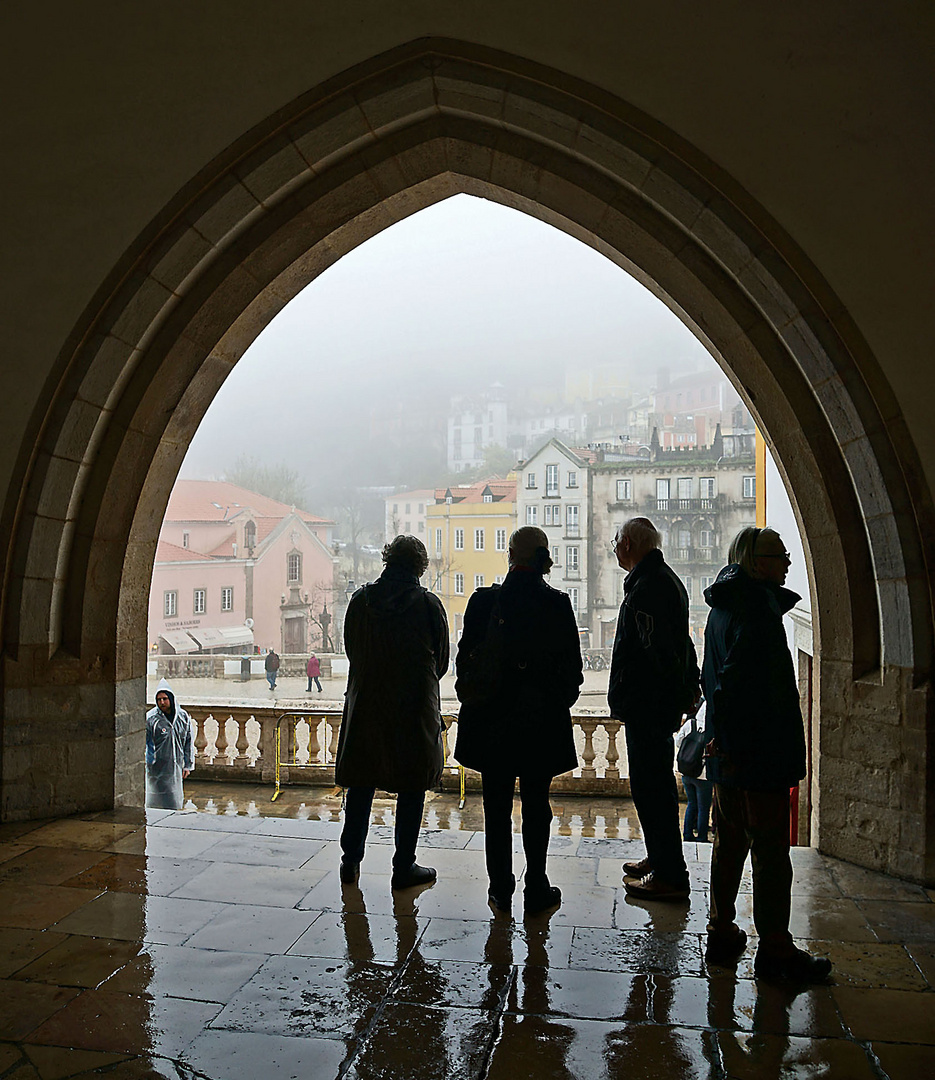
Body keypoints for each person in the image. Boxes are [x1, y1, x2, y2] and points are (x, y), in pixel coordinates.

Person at [702, 526, 831, 982]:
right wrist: (739, 742)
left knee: (728, 844)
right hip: (757, 756)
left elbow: (713, 680)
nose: (788, 563)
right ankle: (775, 949)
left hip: (728, 757)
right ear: (757, 563)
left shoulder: (722, 608)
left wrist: (722, 740)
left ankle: (720, 931)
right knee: (772, 853)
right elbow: (737, 684)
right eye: (780, 556)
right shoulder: (758, 610)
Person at [455, 526, 583, 915]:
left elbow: (464, 662)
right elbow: (572, 673)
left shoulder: (482, 603)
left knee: (495, 807)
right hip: (539, 724)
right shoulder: (558, 604)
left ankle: (499, 888)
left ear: (510, 555)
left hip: (491, 722)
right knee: (536, 806)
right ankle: (537, 885)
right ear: (544, 558)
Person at [334, 535, 449, 889]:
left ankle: (350, 861)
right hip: (413, 709)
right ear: (420, 566)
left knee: (361, 784)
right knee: (412, 786)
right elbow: (442, 663)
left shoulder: (360, 602)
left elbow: (353, 650)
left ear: (386, 560)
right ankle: (404, 866)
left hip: (367, 703)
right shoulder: (429, 606)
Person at [608, 517, 699, 901]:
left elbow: (658, 652)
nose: (614, 546)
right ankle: (660, 857)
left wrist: (665, 700)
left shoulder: (648, 588)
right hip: (654, 703)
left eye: (616, 540)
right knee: (653, 785)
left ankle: (670, 874)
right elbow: (682, 643)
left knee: (652, 788)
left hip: (648, 705)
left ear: (628, 543)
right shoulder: (663, 580)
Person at [145, 679, 194, 810]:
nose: (162, 702)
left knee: (174, 800)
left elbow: (188, 742)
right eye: (159, 699)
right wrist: (149, 764)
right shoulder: (151, 719)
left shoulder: (183, 718)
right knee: (154, 802)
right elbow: (145, 744)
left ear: (171, 698)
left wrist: (188, 765)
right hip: (156, 769)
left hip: (175, 768)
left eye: (165, 699)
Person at [677, 708, 714, 842]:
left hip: (686, 771)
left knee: (691, 803)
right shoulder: (711, 730)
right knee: (704, 807)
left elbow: (678, 742)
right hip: (703, 775)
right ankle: (702, 836)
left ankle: (687, 835)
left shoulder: (690, 724)